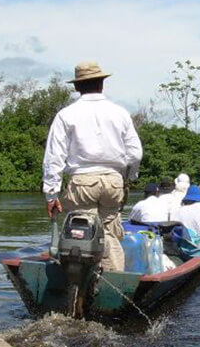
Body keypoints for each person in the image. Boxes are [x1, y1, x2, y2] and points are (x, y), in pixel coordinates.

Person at [43, 61, 142, 271]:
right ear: (102, 84)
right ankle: (113, 283)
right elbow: (135, 153)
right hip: (114, 182)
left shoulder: (66, 115)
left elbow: (54, 157)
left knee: (80, 232)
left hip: (83, 182)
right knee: (110, 233)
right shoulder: (120, 113)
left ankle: (77, 286)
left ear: (77, 87)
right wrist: (129, 177)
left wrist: (51, 195)